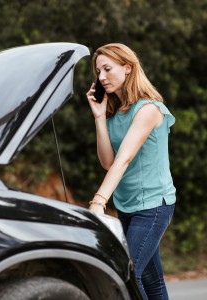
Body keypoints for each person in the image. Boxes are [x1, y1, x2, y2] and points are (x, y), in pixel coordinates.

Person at [86, 43, 176, 300]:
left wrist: (99, 201)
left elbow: (123, 160)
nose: (101, 77)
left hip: (153, 206)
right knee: (151, 279)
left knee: (126, 274)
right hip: (127, 205)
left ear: (127, 68)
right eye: (98, 71)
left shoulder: (148, 109)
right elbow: (108, 161)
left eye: (107, 69)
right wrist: (99, 117)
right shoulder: (115, 115)